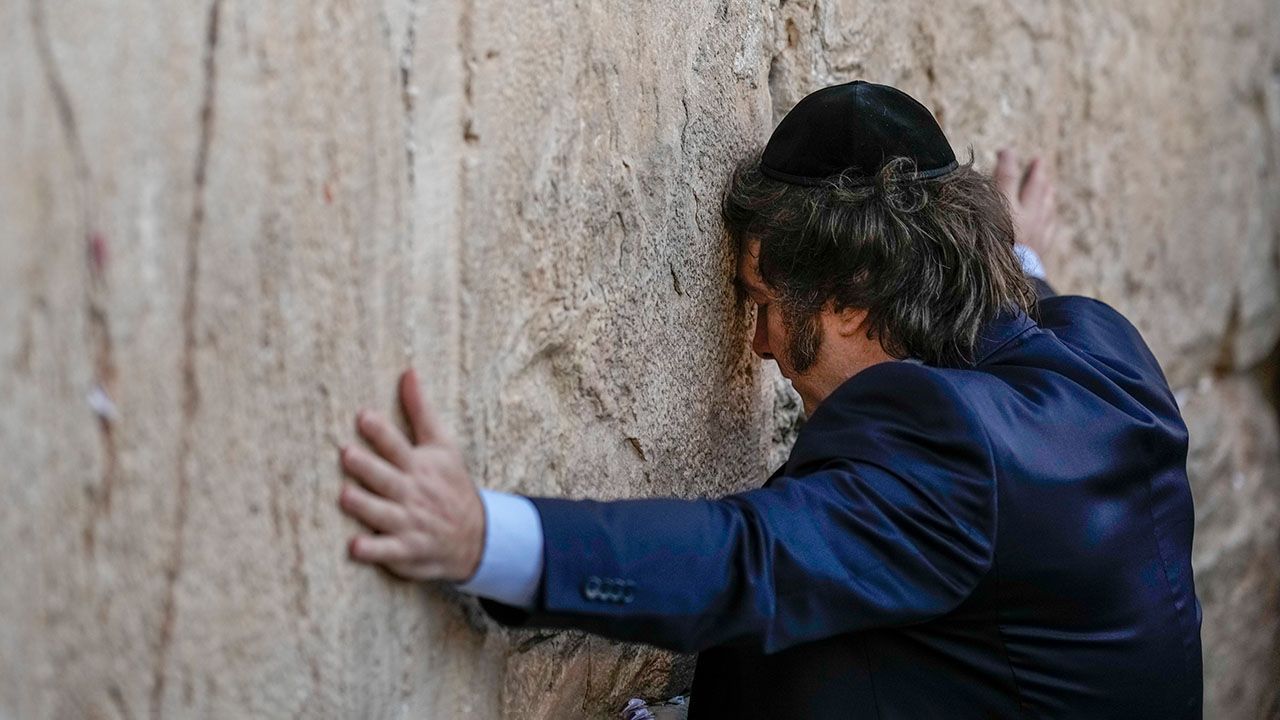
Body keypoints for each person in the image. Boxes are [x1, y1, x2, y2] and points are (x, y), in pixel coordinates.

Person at [334, 81, 1203, 718]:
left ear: (853, 297)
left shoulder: (955, 449)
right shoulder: (1103, 352)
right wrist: (1012, 250)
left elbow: (747, 559)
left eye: (762, 301)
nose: (758, 345)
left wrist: (484, 537)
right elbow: (1036, 303)